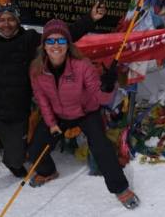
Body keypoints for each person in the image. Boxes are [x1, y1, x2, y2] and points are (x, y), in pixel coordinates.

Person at [0, 0, 106, 210]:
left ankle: (11, 164)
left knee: (16, 159)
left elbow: (62, 37)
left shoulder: (30, 41)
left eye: (11, 19)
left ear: (18, 21)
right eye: (2, 19)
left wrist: (90, 19)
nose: (6, 23)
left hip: (16, 117)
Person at [27, 19, 140, 209]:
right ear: (44, 45)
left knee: (101, 147)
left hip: (86, 112)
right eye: (50, 41)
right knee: (36, 148)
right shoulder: (37, 70)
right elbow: (42, 100)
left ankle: (120, 188)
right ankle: (48, 172)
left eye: (61, 41)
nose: (56, 46)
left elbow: (102, 99)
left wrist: (107, 86)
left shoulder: (82, 66)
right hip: (58, 115)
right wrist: (51, 123)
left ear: (68, 45)